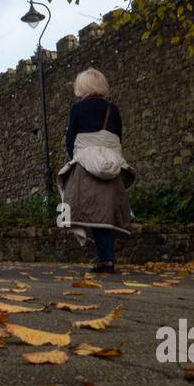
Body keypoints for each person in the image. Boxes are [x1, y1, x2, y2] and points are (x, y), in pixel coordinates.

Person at [56, 68, 135, 273]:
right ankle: (106, 259)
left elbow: (71, 141)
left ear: (82, 87)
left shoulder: (78, 109)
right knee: (105, 214)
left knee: (91, 213)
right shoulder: (113, 109)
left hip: (86, 165)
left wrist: (80, 156)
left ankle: (106, 260)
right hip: (111, 164)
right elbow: (117, 139)